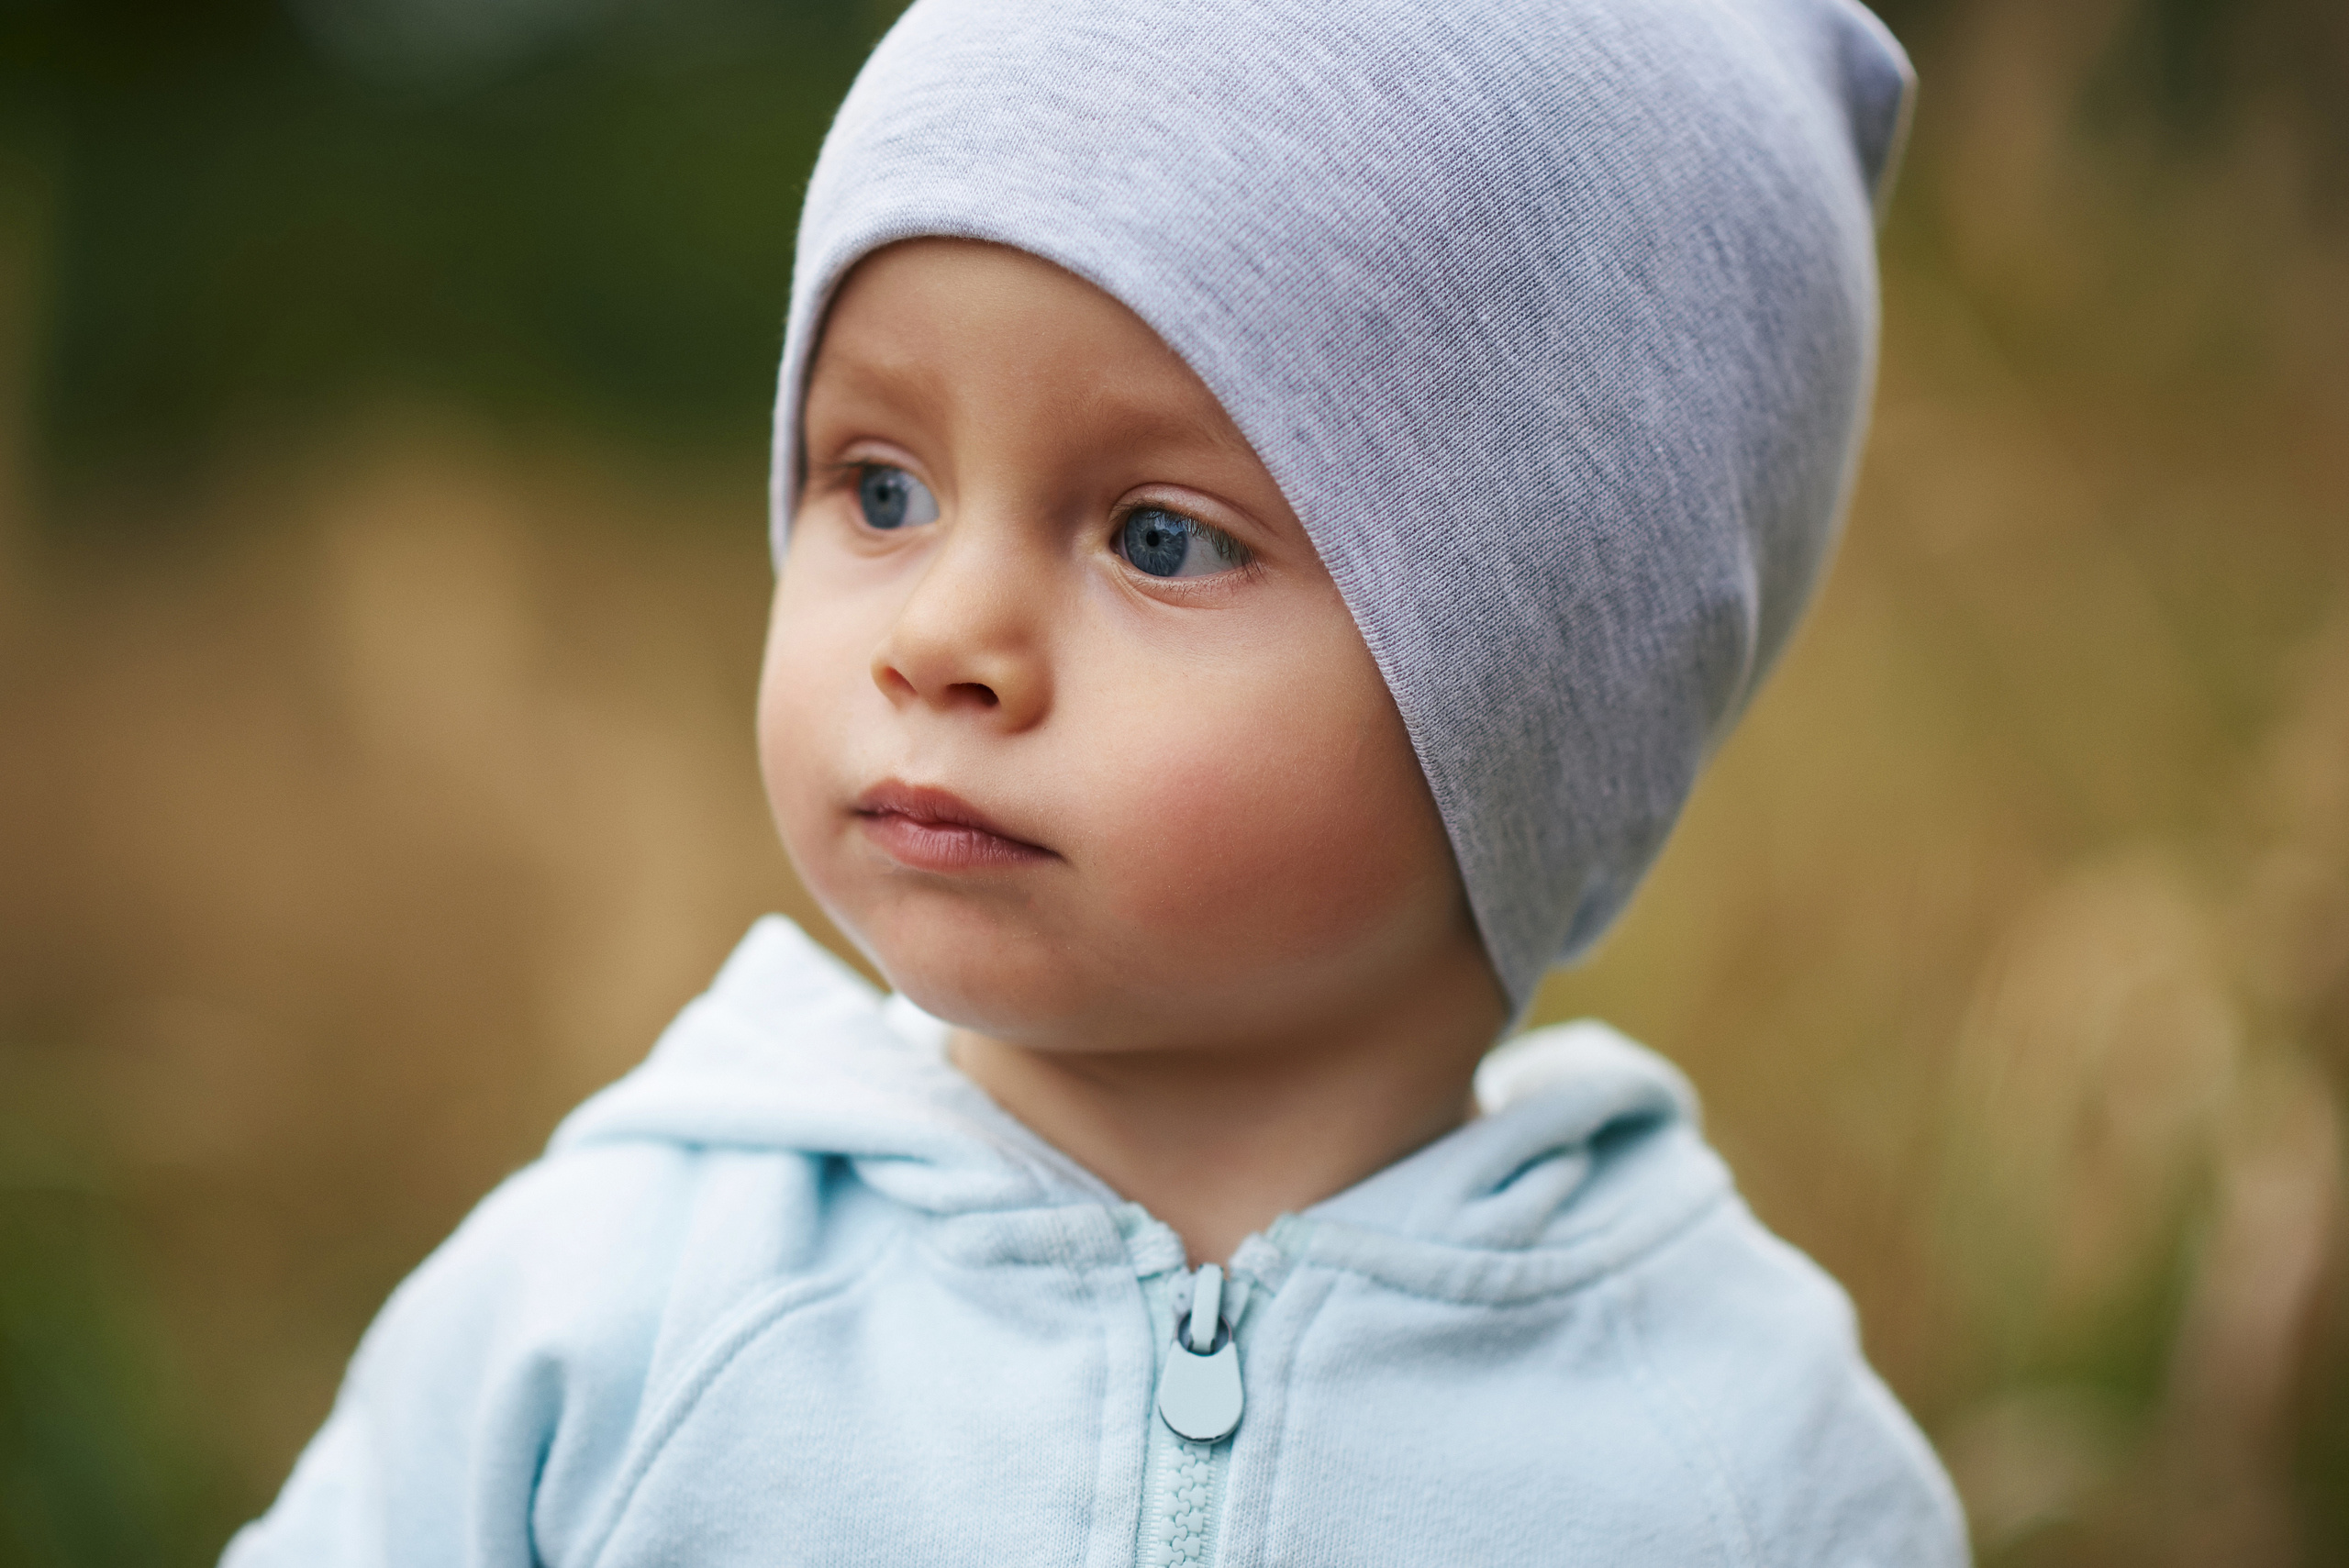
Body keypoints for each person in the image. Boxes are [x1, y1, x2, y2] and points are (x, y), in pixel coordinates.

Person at [225, 0, 1968, 1562]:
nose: (939, 630)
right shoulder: (609, 1313)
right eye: (881, 486)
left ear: (1538, 699)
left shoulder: (1753, 1472)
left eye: (1158, 535)